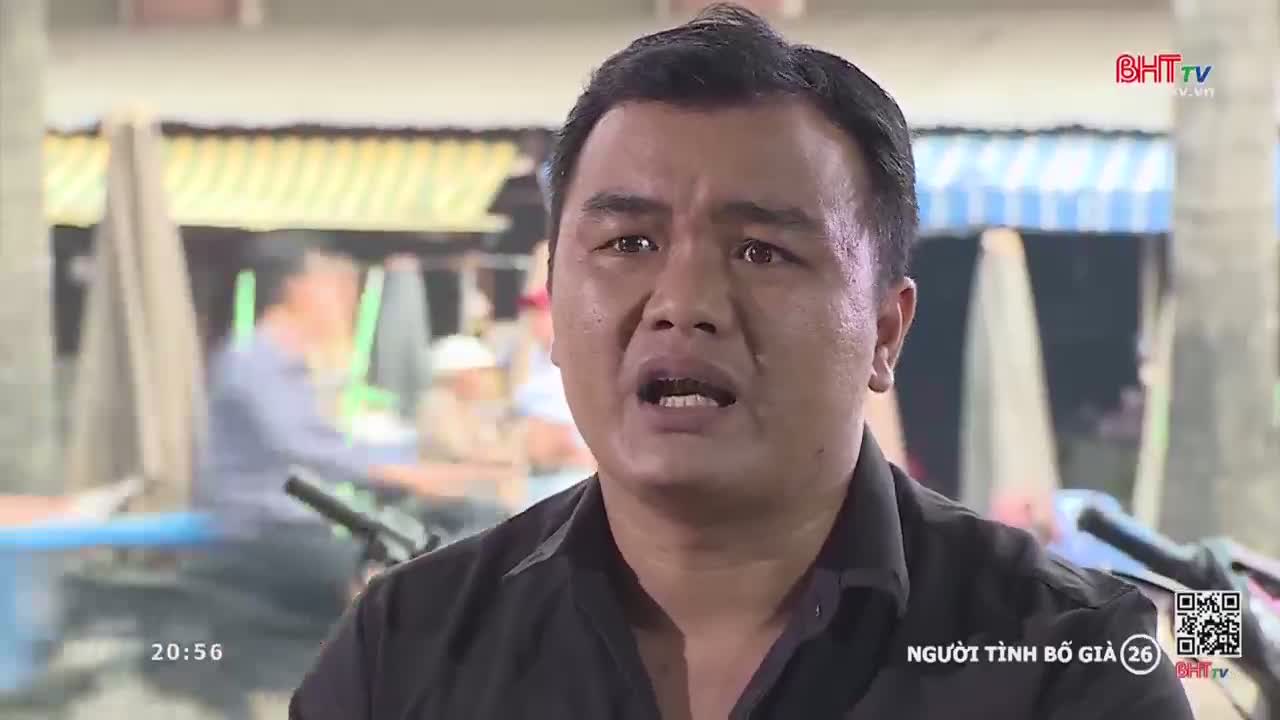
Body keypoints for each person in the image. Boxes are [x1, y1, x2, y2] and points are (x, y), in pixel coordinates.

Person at [292, 7, 1191, 719]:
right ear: (555, 307)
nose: (683, 301)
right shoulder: (403, 650)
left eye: (762, 251)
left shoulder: (1069, 663)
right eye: (628, 241)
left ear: (886, 330)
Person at [193, 232, 513, 620]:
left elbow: (338, 448)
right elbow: (310, 451)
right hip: (264, 528)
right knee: (389, 575)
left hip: (305, 520)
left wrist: (433, 468)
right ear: (299, 290)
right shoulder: (255, 361)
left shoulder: (287, 366)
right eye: (336, 286)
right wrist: (411, 475)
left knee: (473, 520)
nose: (349, 300)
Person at [510, 287, 596, 504]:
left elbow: (562, 434)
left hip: (568, 475)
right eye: (533, 314)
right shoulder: (536, 360)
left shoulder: (576, 361)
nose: (535, 321)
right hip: (536, 476)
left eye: (542, 313)